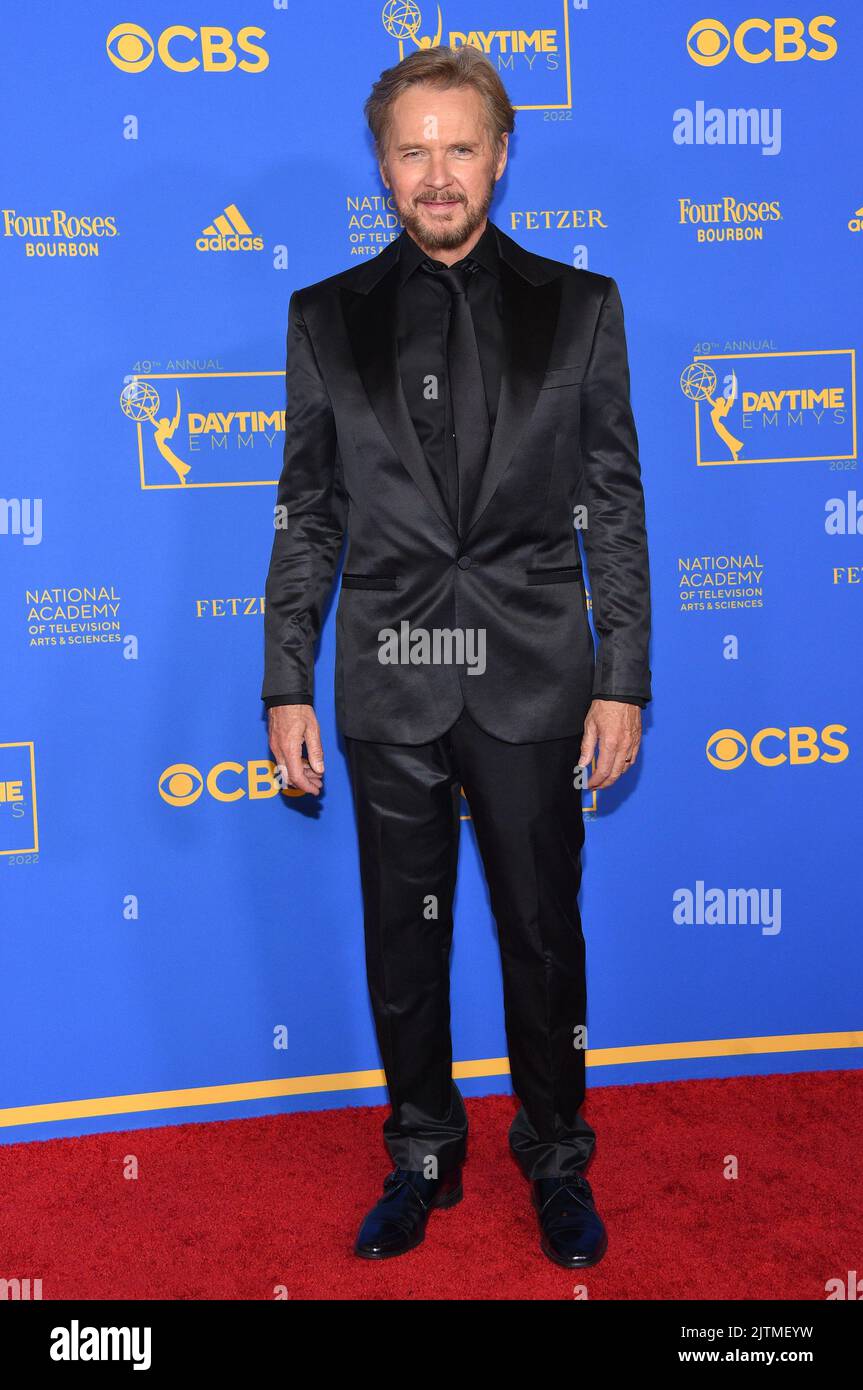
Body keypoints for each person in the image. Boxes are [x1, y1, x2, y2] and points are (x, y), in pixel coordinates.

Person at [262, 45, 652, 1268]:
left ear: (499, 154)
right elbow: (308, 508)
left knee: (543, 933)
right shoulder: (323, 315)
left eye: (460, 146)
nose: (437, 174)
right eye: (411, 150)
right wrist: (284, 679)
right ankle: (421, 1153)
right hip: (390, 673)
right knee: (403, 933)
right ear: (381, 165)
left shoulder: (581, 308)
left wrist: (622, 672)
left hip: (536, 671)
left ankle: (555, 1155)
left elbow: (615, 501)